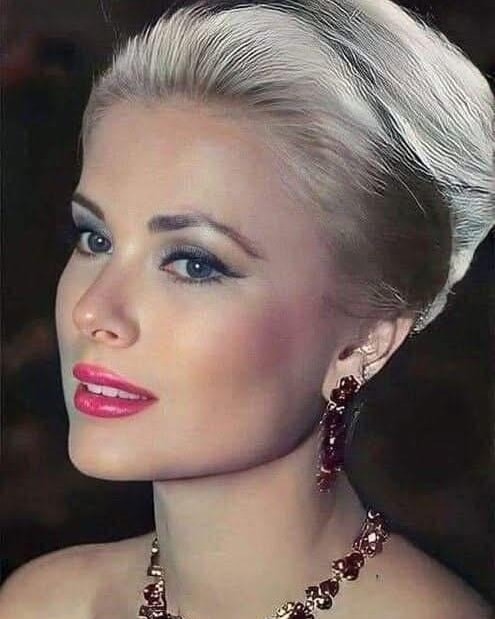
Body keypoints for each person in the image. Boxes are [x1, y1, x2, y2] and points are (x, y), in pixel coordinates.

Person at [1, 0, 493, 617]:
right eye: (95, 239)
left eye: (193, 264)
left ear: (364, 340)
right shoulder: (44, 603)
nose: (93, 310)